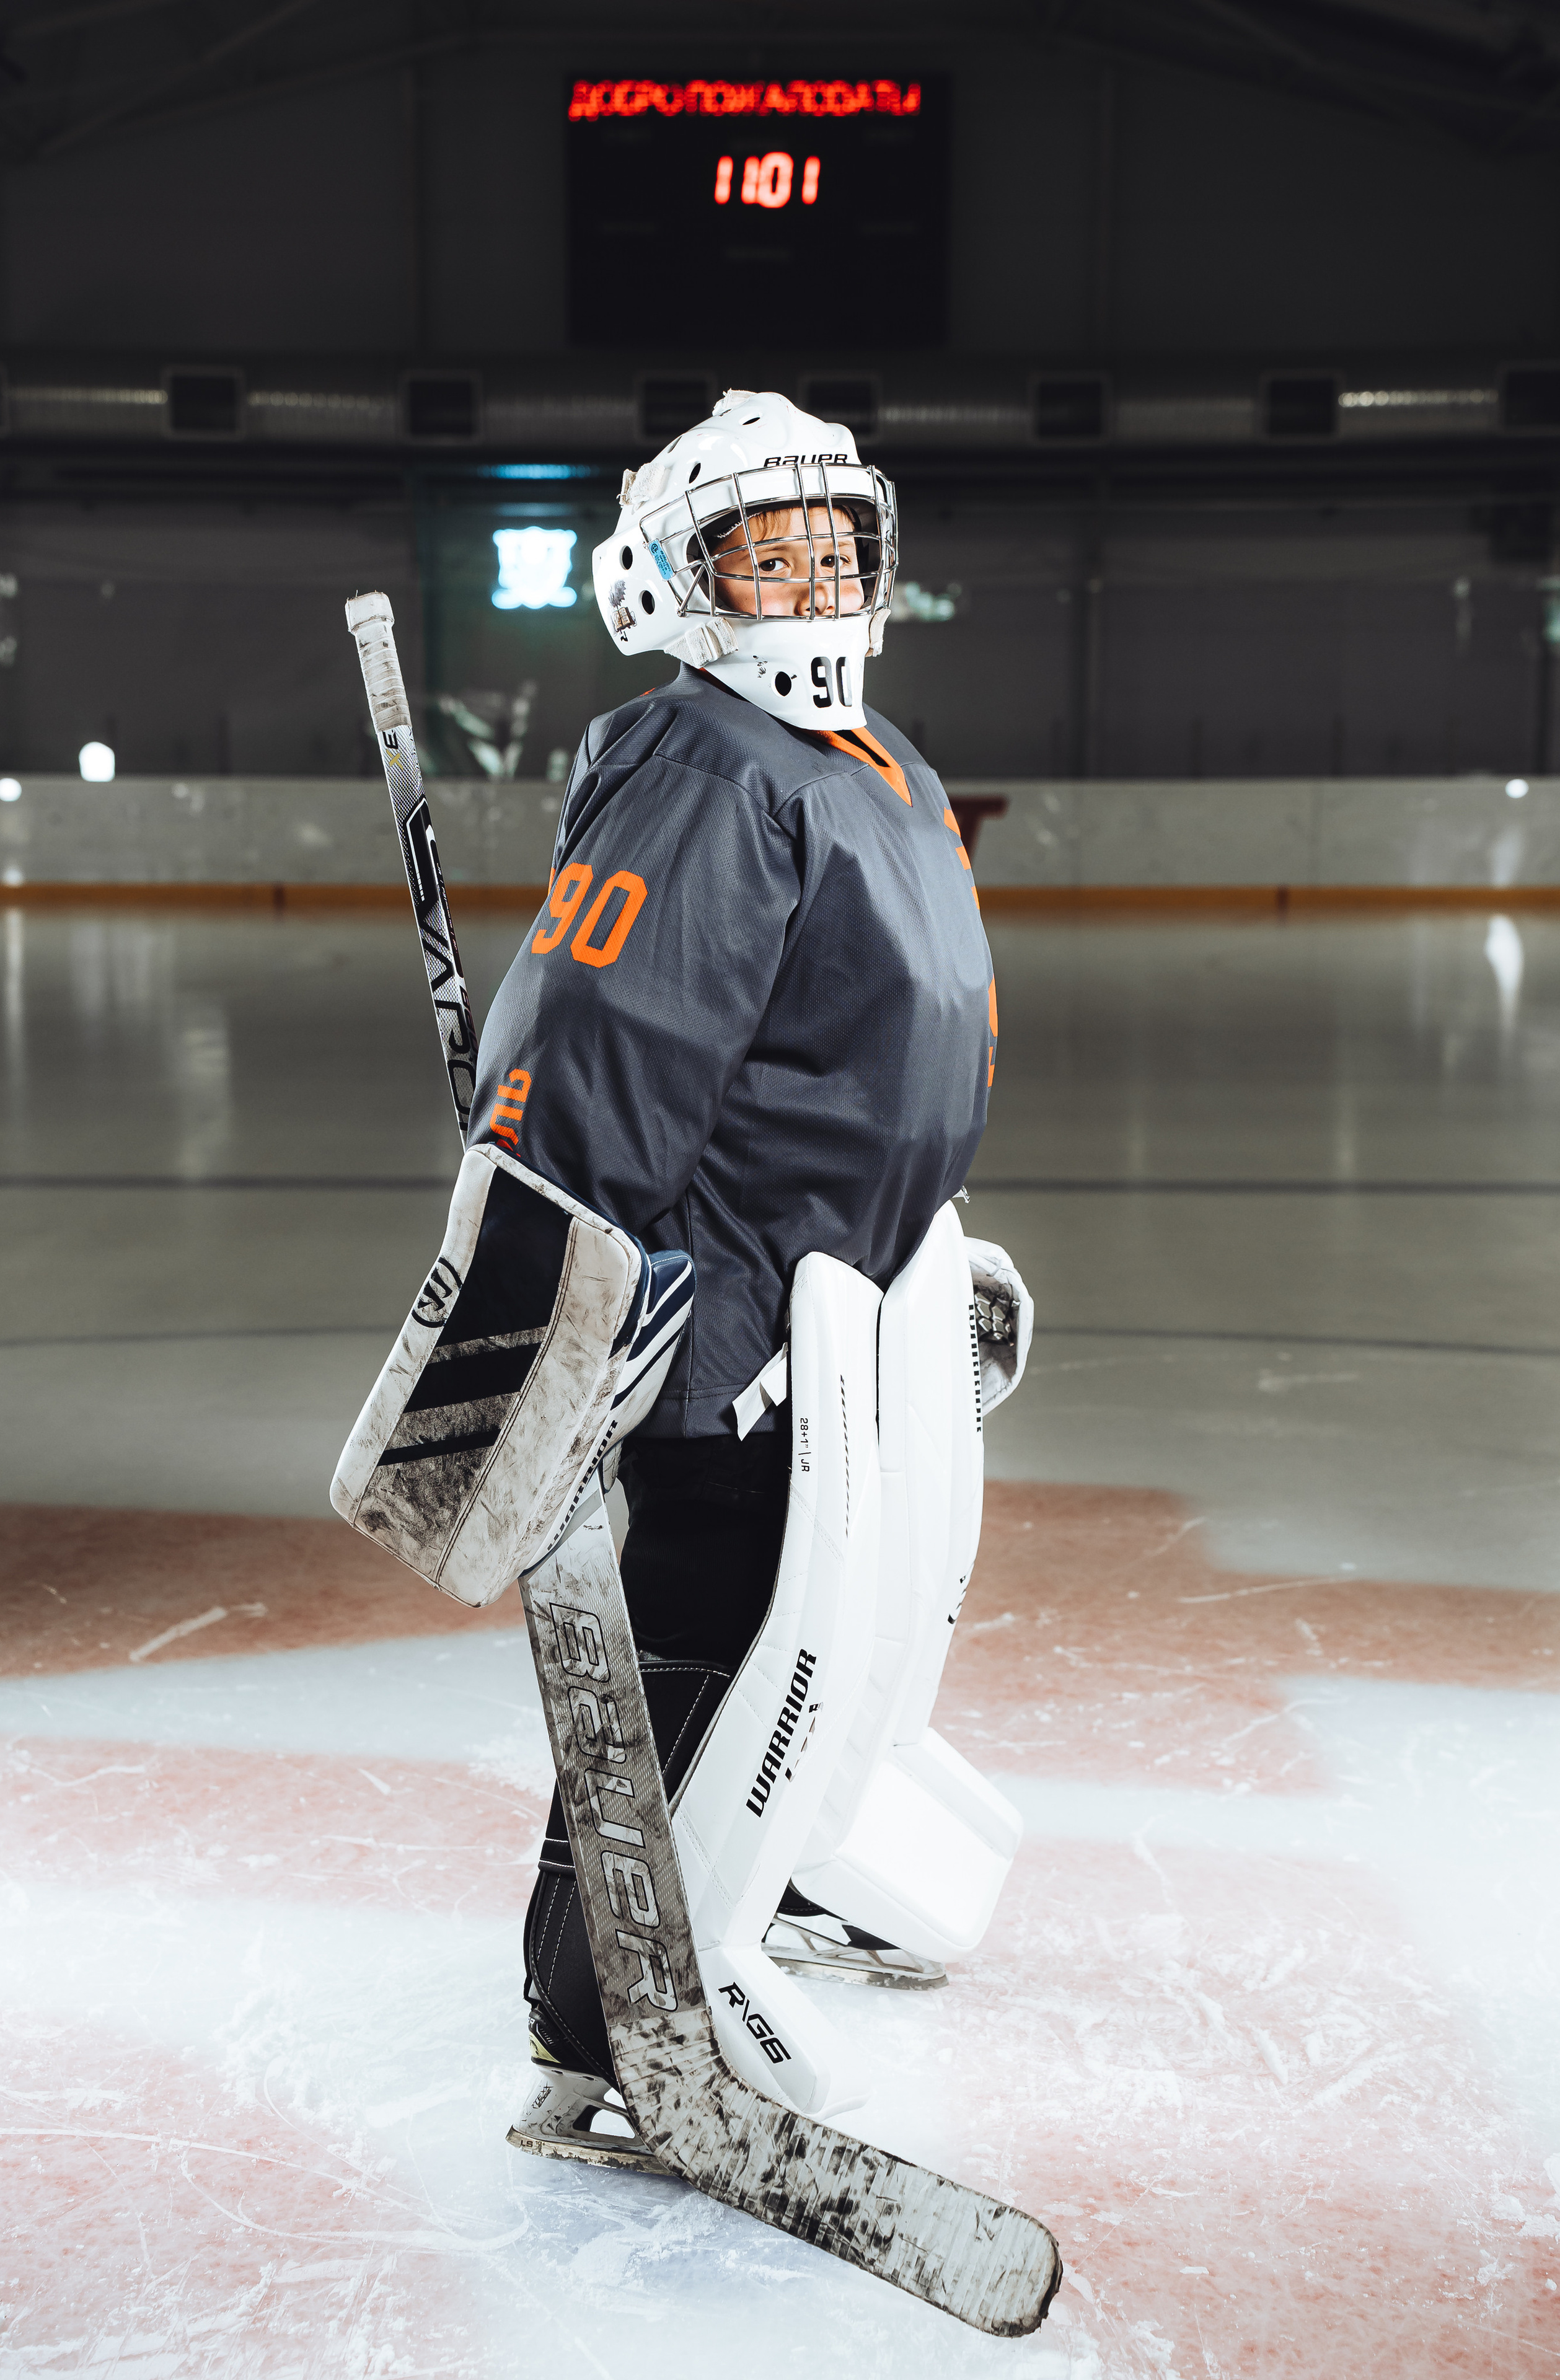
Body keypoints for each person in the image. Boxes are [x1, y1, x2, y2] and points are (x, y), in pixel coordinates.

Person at [463, 390, 1000, 2164]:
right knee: (703, 1651)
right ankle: (602, 2000)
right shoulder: (704, 763)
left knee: (814, 1642)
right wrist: (562, 1295)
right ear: (673, 585)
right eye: (761, 553)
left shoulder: (876, 761)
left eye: (831, 543)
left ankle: (760, 1875)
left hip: (846, 1313)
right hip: (728, 1331)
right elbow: (595, 1044)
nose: (808, 578)